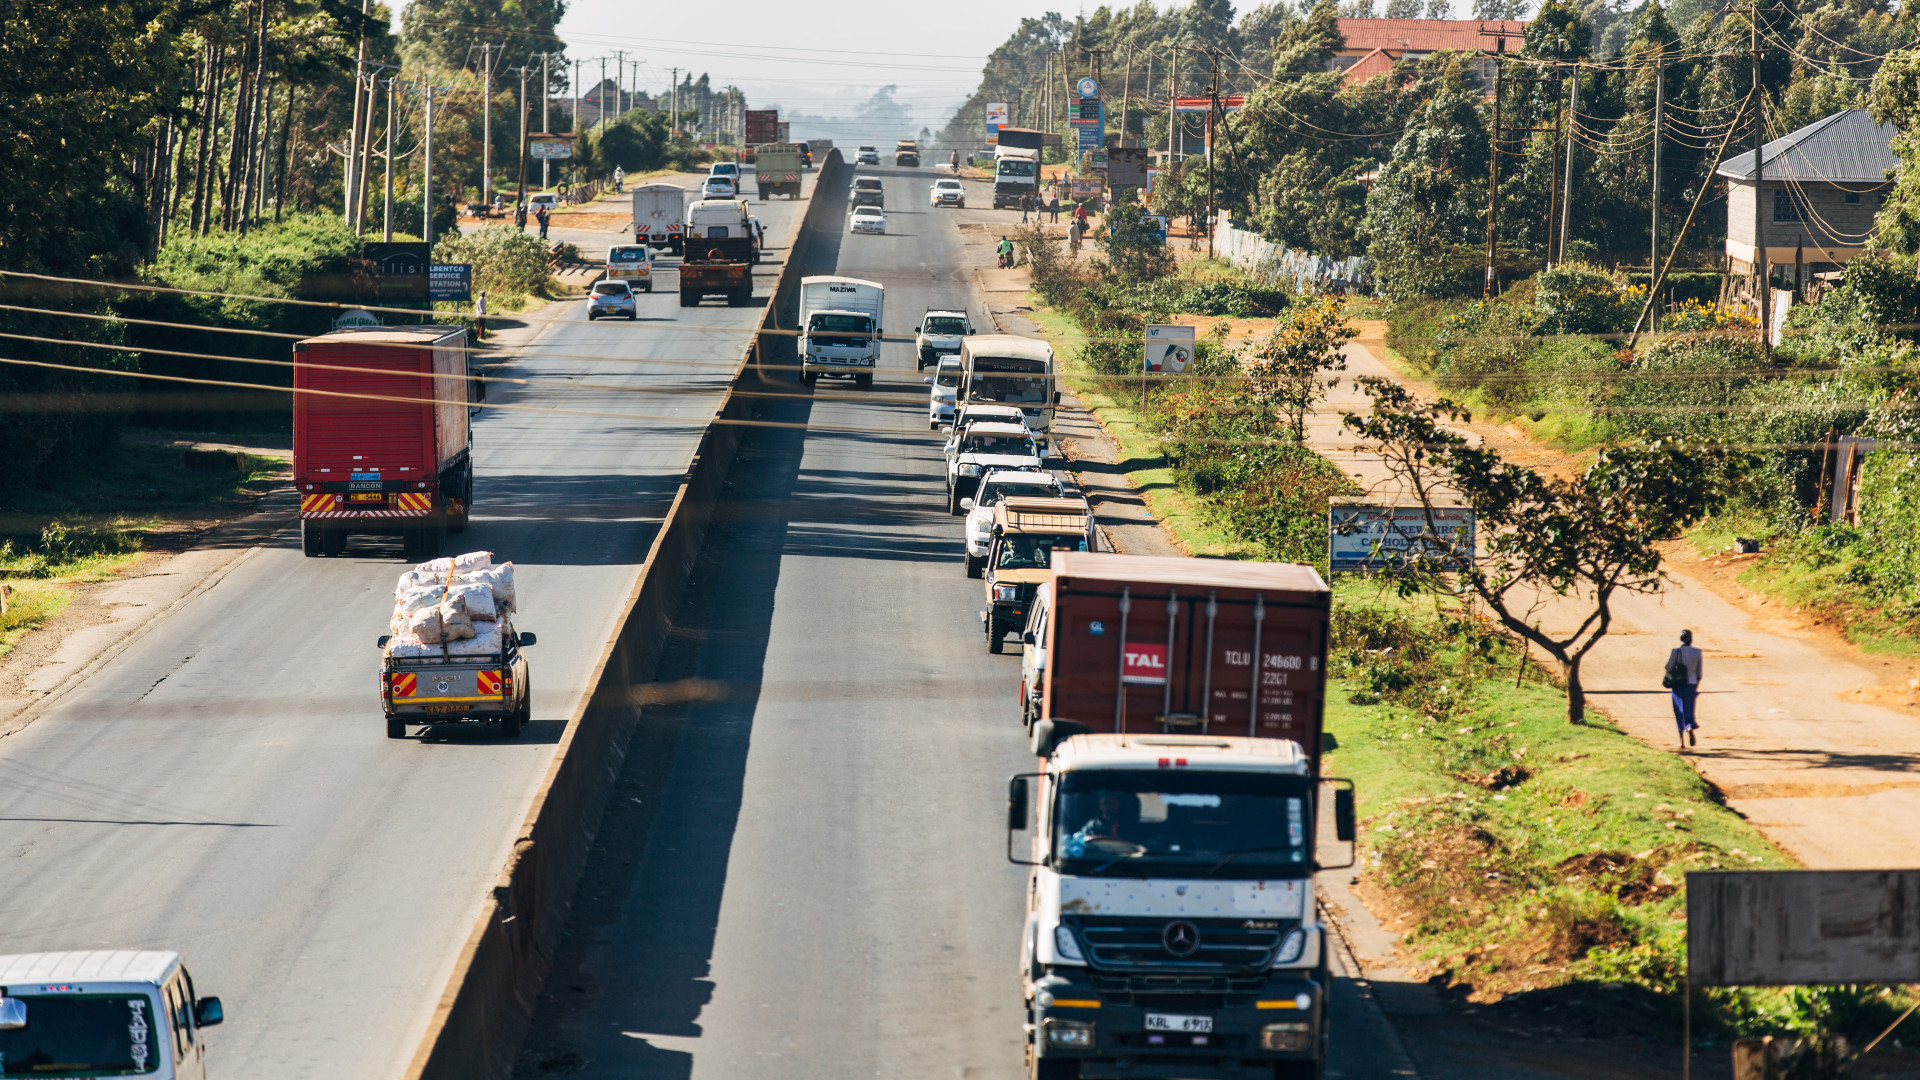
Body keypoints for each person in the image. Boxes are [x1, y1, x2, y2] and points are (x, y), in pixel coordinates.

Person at [1666, 629, 1704, 747]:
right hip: (1691, 684)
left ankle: (1681, 741)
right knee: (1688, 709)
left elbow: (1668, 667)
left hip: (1678, 684)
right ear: (1691, 639)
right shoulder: (1697, 652)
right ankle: (1689, 726)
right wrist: (1695, 688)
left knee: (1678, 710)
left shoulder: (1676, 652)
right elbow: (1699, 674)